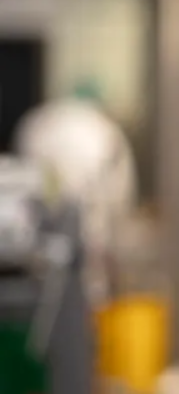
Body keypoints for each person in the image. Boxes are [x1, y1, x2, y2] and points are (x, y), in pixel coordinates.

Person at [13, 78, 137, 306]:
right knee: (87, 296)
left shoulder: (38, 123)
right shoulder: (105, 130)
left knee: (47, 295)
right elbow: (119, 196)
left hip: (45, 234)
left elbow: (23, 183)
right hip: (84, 231)